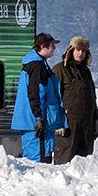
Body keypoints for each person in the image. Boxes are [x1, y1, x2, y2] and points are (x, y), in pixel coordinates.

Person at [11, 32, 65, 162]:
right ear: (42, 47)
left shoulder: (38, 64)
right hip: (35, 124)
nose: (55, 48)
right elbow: (36, 94)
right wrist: (39, 118)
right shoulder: (37, 66)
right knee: (38, 162)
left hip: (35, 122)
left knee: (40, 157)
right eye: (52, 45)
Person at [52, 35, 98, 163]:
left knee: (84, 164)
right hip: (68, 125)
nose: (81, 53)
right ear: (71, 50)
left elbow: (92, 98)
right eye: (78, 50)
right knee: (65, 161)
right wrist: (57, 122)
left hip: (86, 125)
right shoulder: (59, 70)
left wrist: (96, 119)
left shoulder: (86, 72)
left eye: (84, 51)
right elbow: (53, 99)